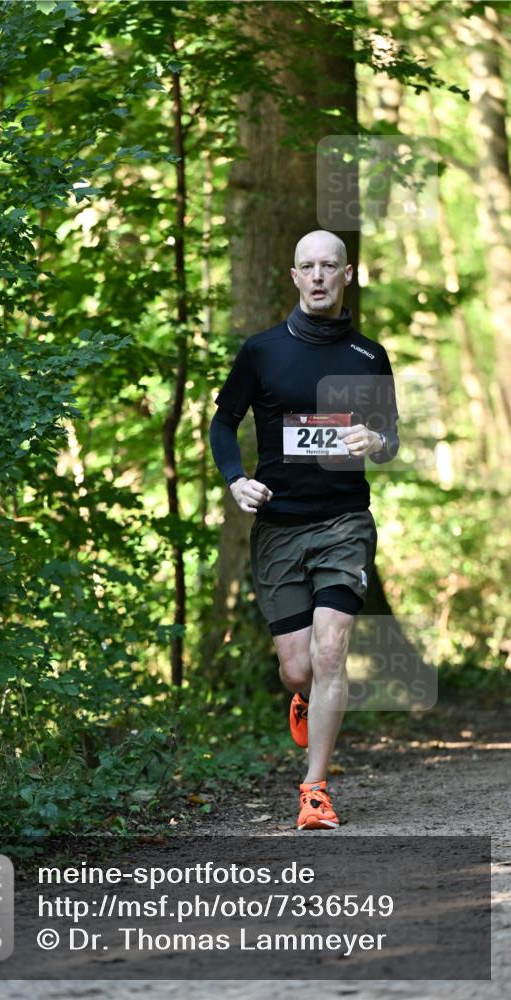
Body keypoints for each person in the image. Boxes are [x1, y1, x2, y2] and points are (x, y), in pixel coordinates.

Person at [209, 230, 399, 830]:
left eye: (330, 266)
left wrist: (377, 440)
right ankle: (302, 695)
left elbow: (388, 438)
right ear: (294, 277)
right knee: (299, 668)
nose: (318, 276)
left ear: (347, 275)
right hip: (279, 529)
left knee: (331, 651)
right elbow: (222, 424)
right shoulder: (263, 352)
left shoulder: (369, 357)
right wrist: (236, 478)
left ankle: (314, 789)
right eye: (308, 267)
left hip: (345, 523)